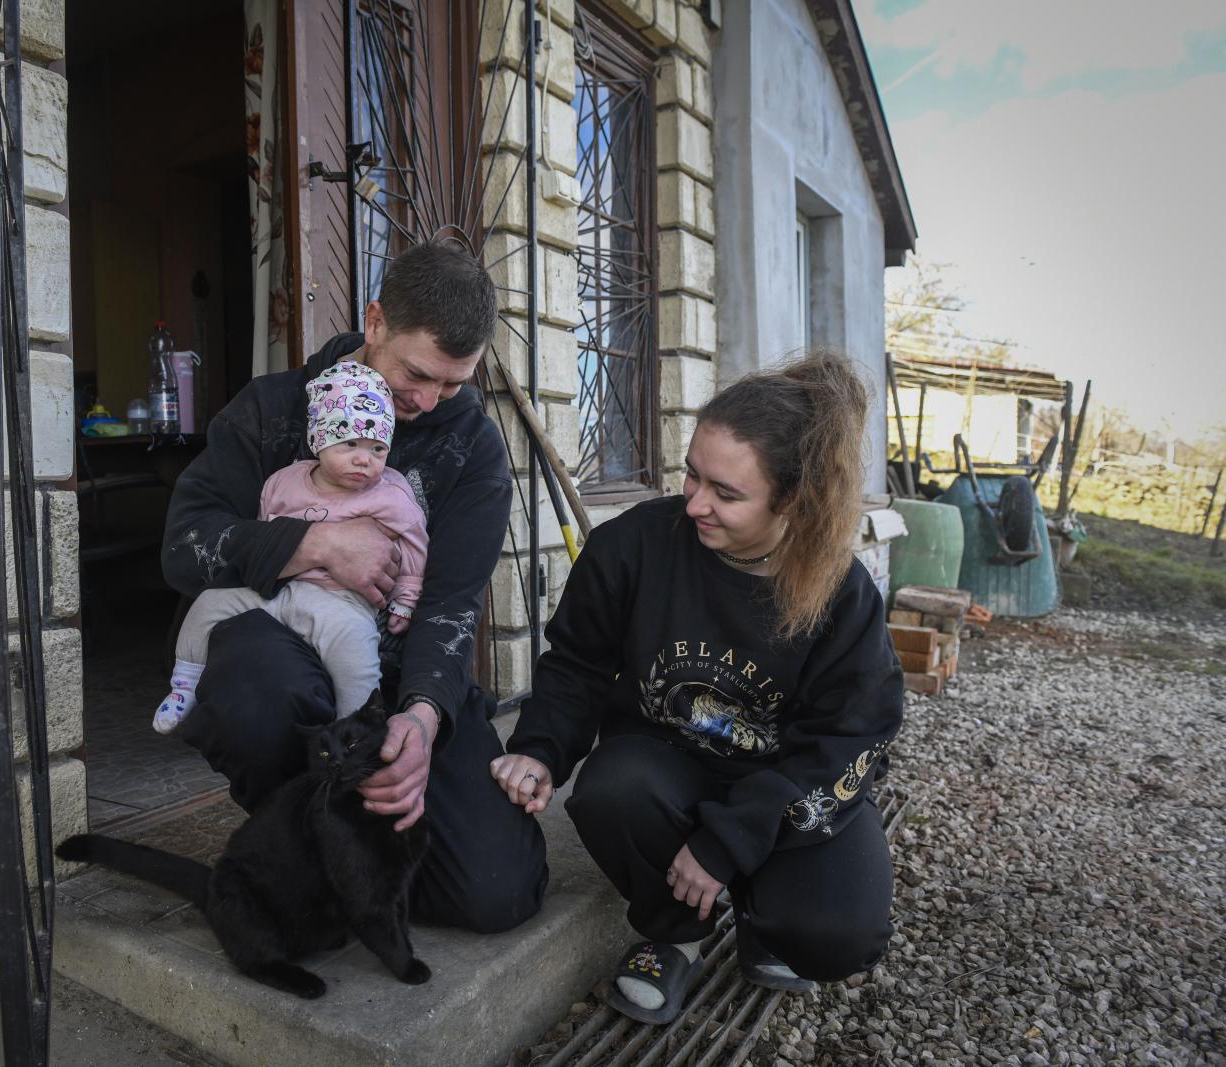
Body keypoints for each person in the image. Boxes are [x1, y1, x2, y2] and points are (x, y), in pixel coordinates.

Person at [491, 351, 902, 1024]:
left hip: (784, 786)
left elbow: (849, 739)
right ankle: (676, 931)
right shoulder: (635, 545)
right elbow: (576, 665)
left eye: (726, 492)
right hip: (670, 767)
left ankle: (761, 911)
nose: (694, 501)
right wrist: (539, 748)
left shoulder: (840, 593)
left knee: (839, 937)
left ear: (792, 500)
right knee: (609, 789)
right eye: (691, 472)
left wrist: (730, 841)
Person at [161, 240, 548, 934]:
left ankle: (335, 847)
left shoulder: (475, 449)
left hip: (403, 679)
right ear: (375, 322)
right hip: (292, 665)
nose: (427, 403)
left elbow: (452, 603)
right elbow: (183, 549)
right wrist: (311, 543)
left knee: (498, 891)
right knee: (248, 683)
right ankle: (314, 835)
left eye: (453, 385)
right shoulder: (272, 409)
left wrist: (423, 719)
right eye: (417, 375)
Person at [153, 359, 428, 732]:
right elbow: (266, 529)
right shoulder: (283, 483)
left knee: (355, 646)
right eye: (349, 444)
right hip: (277, 589)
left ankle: (357, 724)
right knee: (208, 605)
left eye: (377, 449)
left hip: (339, 603)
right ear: (319, 439)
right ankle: (184, 685)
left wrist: (406, 597)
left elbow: (414, 543)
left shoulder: (391, 494)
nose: (364, 459)